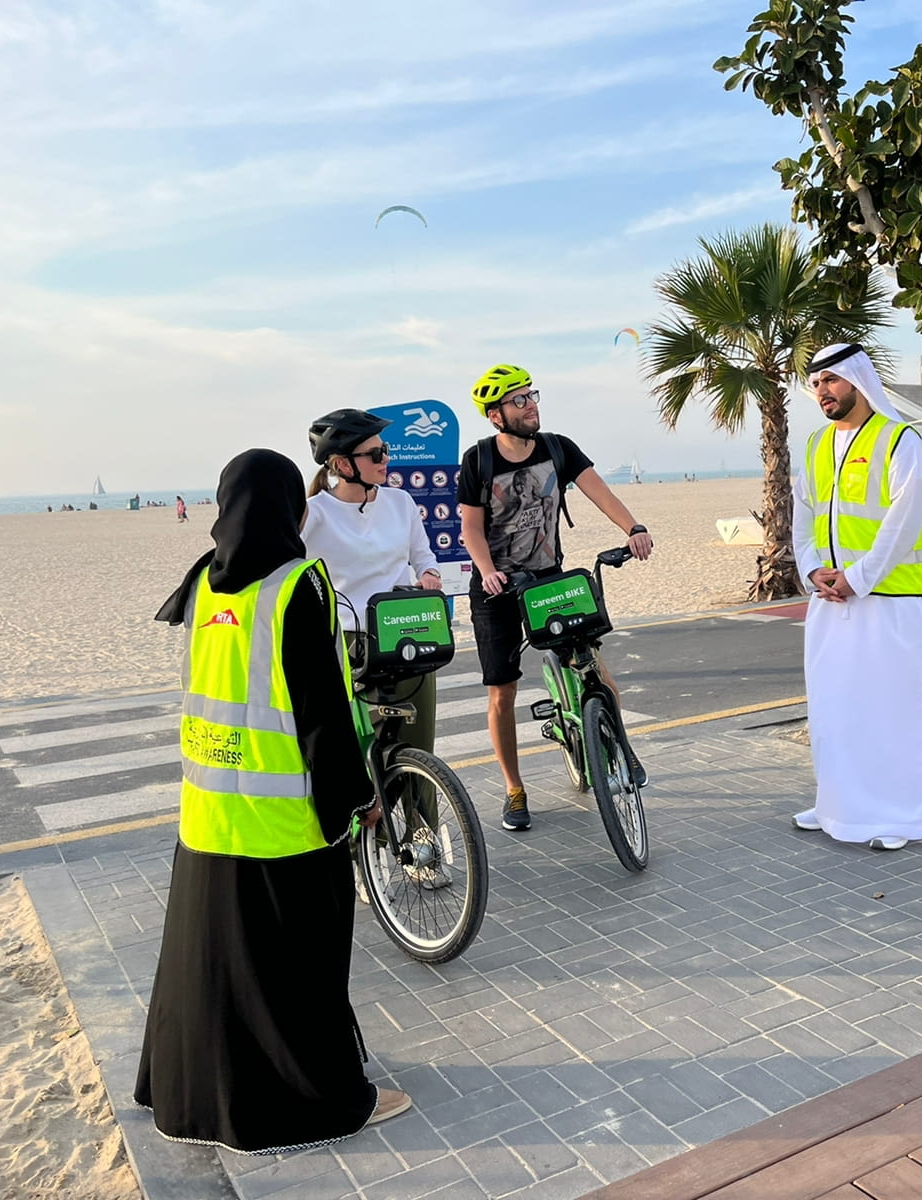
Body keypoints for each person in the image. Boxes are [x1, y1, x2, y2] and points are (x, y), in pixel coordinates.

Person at [136, 448, 410, 1152]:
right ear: (289, 508)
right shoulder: (297, 586)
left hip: (207, 816)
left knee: (214, 969)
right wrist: (359, 799)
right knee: (298, 975)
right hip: (284, 824)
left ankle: (191, 1093)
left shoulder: (204, 582)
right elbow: (323, 715)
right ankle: (320, 1100)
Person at [457, 363, 652, 833]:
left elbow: (599, 491)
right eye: (518, 400)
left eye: (532, 396)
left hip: (548, 578)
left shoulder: (557, 448)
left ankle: (620, 746)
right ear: (496, 415)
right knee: (502, 691)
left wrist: (633, 527)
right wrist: (487, 571)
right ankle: (514, 788)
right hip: (497, 588)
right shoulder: (479, 460)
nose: (530, 406)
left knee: (594, 666)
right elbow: (470, 529)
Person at [788, 343, 922, 852]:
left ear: (858, 380)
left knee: (892, 712)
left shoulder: (899, 440)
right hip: (829, 602)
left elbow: (903, 520)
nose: (822, 391)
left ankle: (898, 816)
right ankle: (835, 805)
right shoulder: (816, 444)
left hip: (887, 601)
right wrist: (812, 571)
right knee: (835, 709)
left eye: (831, 380)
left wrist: (857, 577)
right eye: (816, 384)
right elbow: (803, 516)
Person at [301, 408, 443, 819]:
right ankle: (359, 837)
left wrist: (430, 574)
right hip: (348, 644)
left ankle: (423, 833)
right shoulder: (314, 513)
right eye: (376, 454)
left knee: (420, 746)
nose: (386, 460)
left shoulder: (400, 501)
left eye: (386, 450)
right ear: (343, 465)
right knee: (356, 750)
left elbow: (423, 555)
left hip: (406, 631)